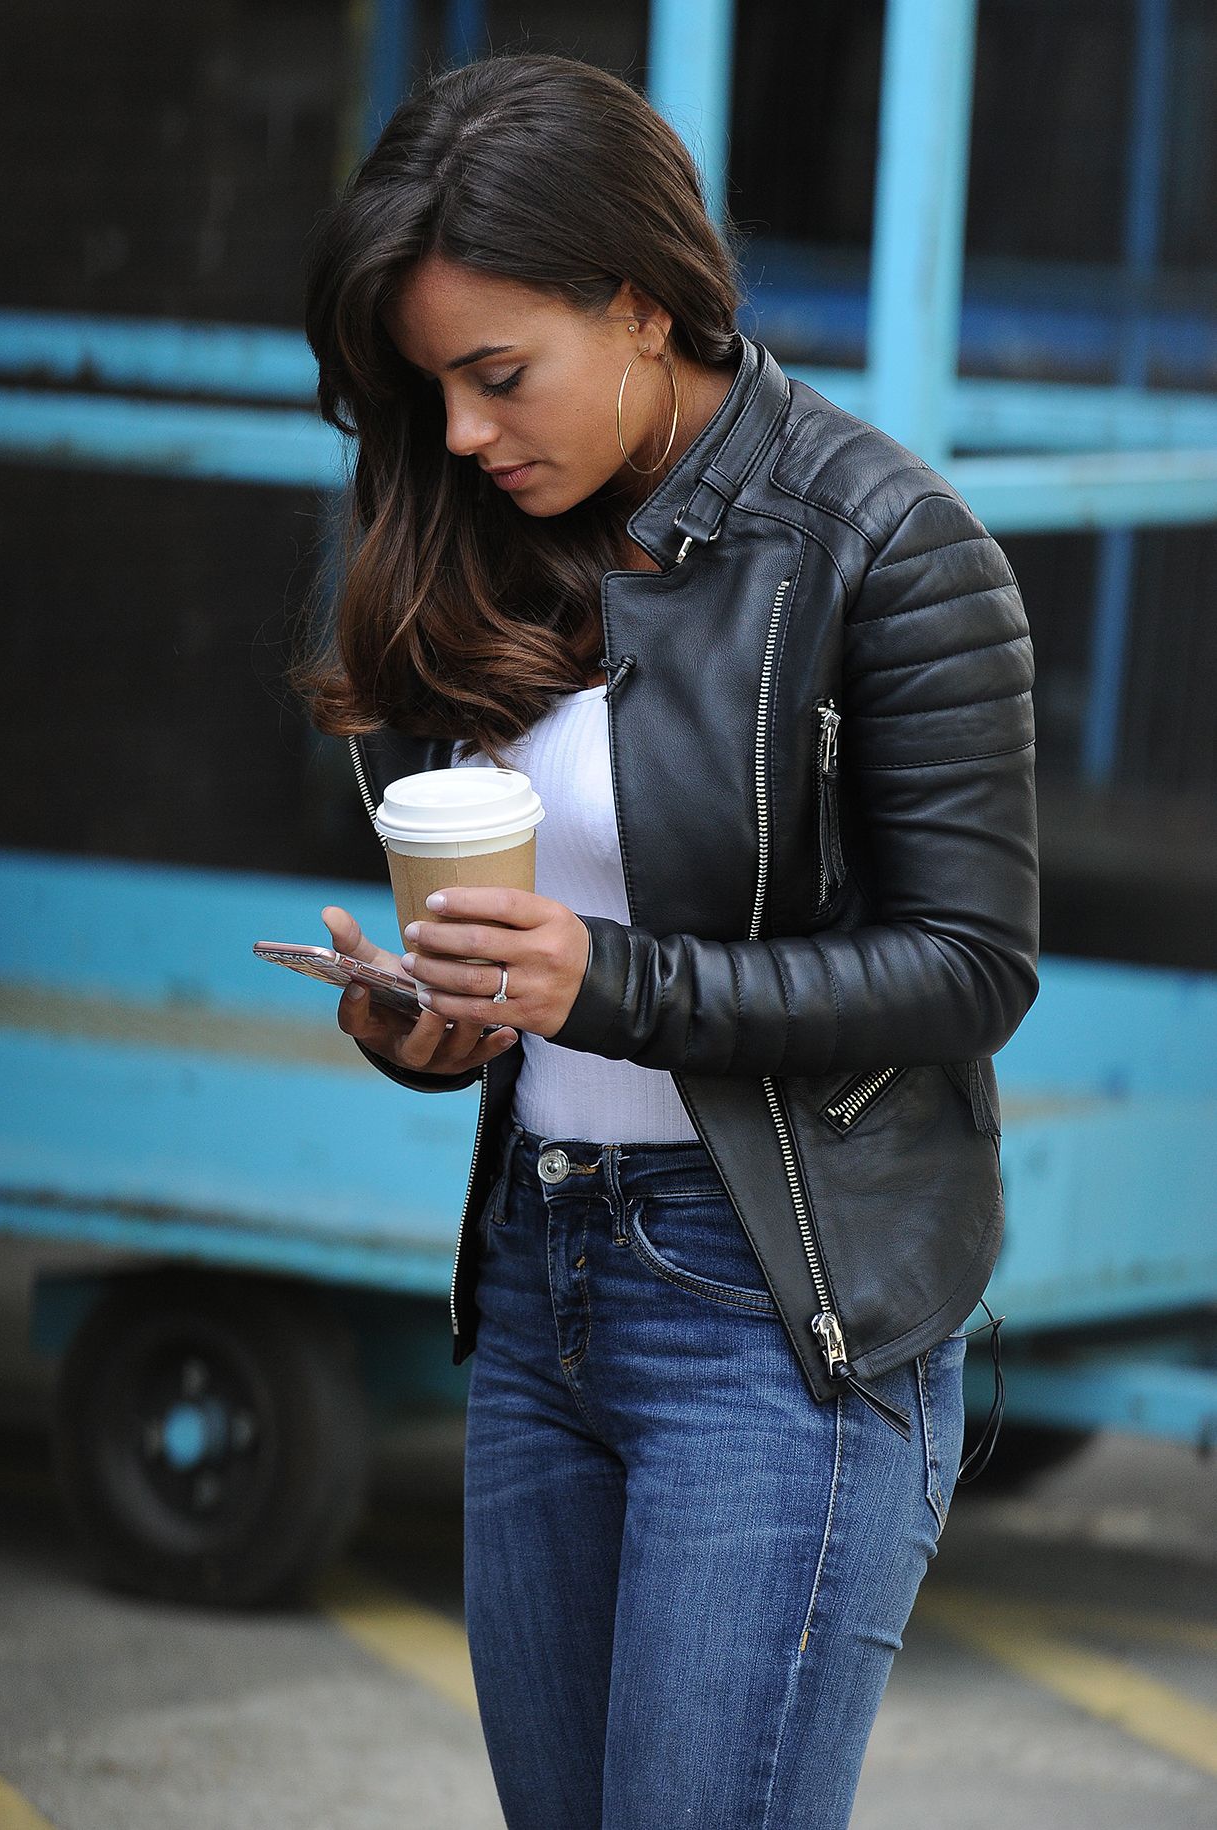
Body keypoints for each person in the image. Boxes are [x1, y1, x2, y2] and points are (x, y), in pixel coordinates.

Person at [291, 50, 1038, 1830]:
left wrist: (601, 986)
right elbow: (518, 941)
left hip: (780, 1320)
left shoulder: (886, 543)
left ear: (638, 305)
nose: (465, 432)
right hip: (541, 1281)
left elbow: (969, 964)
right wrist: (434, 1021)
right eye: (432, 389)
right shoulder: (484, 529)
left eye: (498, 375)